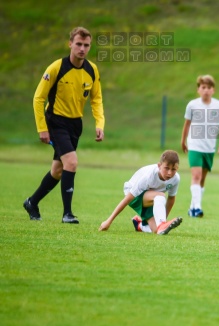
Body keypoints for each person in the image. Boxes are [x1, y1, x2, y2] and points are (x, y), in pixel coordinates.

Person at [23, 27, 105, 224]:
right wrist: (41, 128)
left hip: (75, 124)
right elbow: (38, 98)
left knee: (58, 171)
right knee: (72, 162)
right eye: (78, 44)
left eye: (86, 45)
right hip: (55, 121)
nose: (82, 49)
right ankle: (67, 214)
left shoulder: (91, 69)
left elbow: (97, 99)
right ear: (70, 44)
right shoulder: (56, 68)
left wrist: (99, 122)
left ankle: (31, 202)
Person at [99, 150, 183, 235]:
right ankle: (161, 224)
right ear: (159, 166)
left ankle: (139, 225)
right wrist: (108, 221)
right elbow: (127, 199)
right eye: (167, 168)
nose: (169, 173)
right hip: (132, 194)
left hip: (151, 198)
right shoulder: (149, 176)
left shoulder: (175, 179)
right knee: (161, 196)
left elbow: (171, 199)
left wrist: (163, 220)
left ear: (177, 169)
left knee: (156, 230)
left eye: (173, 169)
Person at [181, 75, 219, 218]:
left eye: (209, 87)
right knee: (196, 175)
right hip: (194, 145)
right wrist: (183, 141)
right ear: (198, 89)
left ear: (213, 90)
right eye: (203, 87)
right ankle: (197, 208)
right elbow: (187, 124)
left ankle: (192, 207)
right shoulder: (192, 105)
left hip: (209, 147)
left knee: (202, 179)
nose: (206, 90)